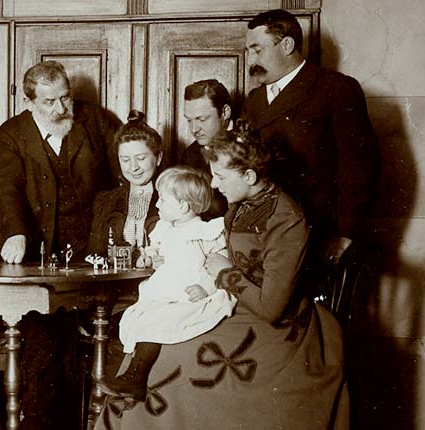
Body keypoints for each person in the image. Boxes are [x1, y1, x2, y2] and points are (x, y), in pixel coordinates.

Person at [95, 123, 347, 429]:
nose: (214, 184)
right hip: (233, 302)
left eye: (221, 176)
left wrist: (224, 274)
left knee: (178, 359)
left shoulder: (288, 220)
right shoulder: (240, 204)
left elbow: (272, 308)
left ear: (250, 177)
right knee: (157, 340)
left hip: (278, 327)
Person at [242, 9, 379, 261]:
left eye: (257, 49)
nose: (251, 59)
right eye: (249, 50)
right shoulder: (255, 99)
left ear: (287, 45)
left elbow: (358, 167)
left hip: (318, 232)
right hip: (267, 232)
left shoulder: (334, 88)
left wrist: (345, 233)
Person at [99, 166, 235, 400]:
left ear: (183, 207)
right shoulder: (164, 229)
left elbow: (221, 263)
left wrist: (206, 286)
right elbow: (158, 251)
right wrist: (149, 257)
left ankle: (136, 376)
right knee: (137, 317)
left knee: (159, 322)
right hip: (164, 289)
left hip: (188, 293)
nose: (158, 205)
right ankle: (131, 375)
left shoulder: (204, 232)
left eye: (163, 199)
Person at [0, 60, 120, 264]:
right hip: (38, 248)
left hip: (93, 246)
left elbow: (123, 172)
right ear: (29, 103)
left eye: (65, 97)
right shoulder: (12, 133)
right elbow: (4, 187)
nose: (60, 109)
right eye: (49, 102)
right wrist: (15, 232)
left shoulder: (95, 120)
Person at [89, 110, 162, 256]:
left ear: (158, 158)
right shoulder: (106, 202)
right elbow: (97, 252)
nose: (133, 167)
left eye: (141, 158)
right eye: (125, 160)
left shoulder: (173, 198)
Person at [180, 79, 231, 221]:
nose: (194, 129)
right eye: (189, 120)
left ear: (225, 112)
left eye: (202, 119)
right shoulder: (190, 155)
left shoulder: (249, 146)